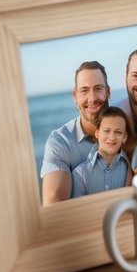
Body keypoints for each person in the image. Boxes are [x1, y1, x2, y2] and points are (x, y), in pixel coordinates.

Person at [41, 61, 111, 204]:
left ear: (108, 92)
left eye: (98, 88)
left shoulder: (126, 128)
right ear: (75, 96)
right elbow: (54, 200)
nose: (92, 98)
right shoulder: (60, 142)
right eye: (84, 90)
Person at [70, 106, 133, 197]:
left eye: (118, 132)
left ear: (124, 137)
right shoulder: (80, 174)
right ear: (97, 133)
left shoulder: (129, 169)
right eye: (107, 131)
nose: (112, 137)